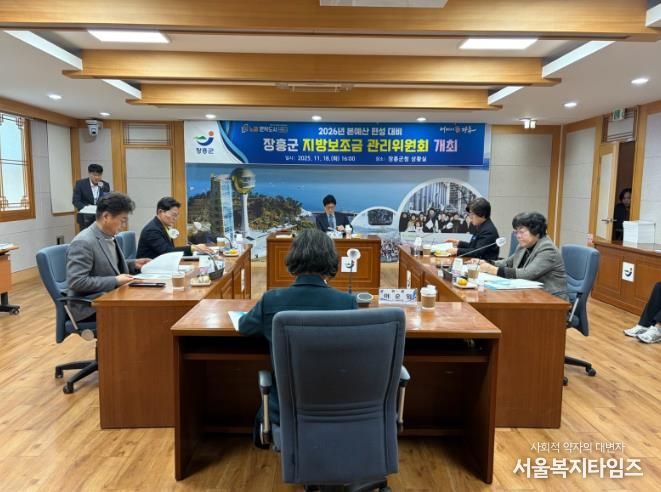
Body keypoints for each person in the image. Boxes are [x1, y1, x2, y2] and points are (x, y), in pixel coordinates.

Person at [238, 229, 358, 446]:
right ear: (331, 260)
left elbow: (244, 327)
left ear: (293, 258)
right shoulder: (346, 303)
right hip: (335, 401)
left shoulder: (272, 300)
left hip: (286, 405)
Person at [66, 192, 150, 322]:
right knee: (146, 313)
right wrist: (115, 280)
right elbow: (77, 282)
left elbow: (107, 265)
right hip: (91, 305)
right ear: (106, 216)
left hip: (111, 297)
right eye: (122, 221)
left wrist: (133, 264)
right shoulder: (84, 242)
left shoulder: (108, 235)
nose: (124, 226)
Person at [477, 212, 568, 300]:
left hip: (551, 300)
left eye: (521, 232)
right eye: (516, 232)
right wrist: (487, 262)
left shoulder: (547, 249)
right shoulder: (524, 246)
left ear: (536, 231)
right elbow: (507, 263)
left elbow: (526, 274)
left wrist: (492, 269)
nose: (518, 236)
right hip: (529, 295)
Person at [136, 197, 214, 259]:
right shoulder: (152, 230)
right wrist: (193, 248)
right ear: (160, 212)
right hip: (149, 269)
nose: (175, 218)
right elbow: (166, 252)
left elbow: (169, 250)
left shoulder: (164, 226)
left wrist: (189, 248)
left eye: (177, 215)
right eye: (173, 215)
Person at [72, 163, 110, 230]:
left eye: (99, 175)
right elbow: (76, 201)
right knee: (86, 236)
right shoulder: (80, 184)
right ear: (89, 174)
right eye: (94, 175)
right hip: (85, 218)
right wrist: (88, 208)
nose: (97, 177)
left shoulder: (105, 185)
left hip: (100, 218)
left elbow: (106, 201)